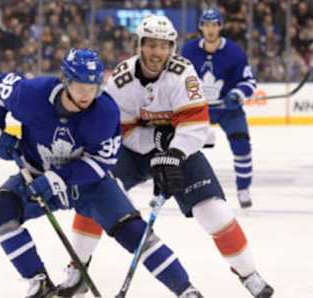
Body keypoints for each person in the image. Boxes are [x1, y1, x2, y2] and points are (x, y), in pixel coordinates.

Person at [59, 15, 274, 298]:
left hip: (178, 150)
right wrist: (156, 140)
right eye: (151, 45)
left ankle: (248, 274)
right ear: (140, 45)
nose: (157, 52)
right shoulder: (122, 80)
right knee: (93, 197)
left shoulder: (183, 73)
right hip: (132, 152)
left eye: (164, 46)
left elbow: (196, 127)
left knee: (214, 213)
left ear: (171, 48)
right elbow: (118, 129)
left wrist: (172, 154)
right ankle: (78, 268)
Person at [0, 48, 203, 298]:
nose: (88, 94)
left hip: (89, 184)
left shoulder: (105, 112)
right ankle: (39, 281)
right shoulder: (32, 95)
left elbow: (102, 162)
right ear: (66, 80)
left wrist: (58, 179)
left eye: (93, 86)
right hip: (36, 175)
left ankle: (186, 290)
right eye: (81, 86)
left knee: (133, 232)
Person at [181, 8, 257, 208]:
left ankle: (243, 189)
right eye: (206, 25)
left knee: (242, 146)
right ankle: (169, 189)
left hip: (228, 109)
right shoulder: (188, 51)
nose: (210, 29)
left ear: (220, 27)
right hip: (198, 109)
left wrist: (237, 94)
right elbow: (177, 80)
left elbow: (249, 81)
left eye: (214, 25)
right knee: (178, 148)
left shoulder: (234, 51)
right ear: (200, 27)